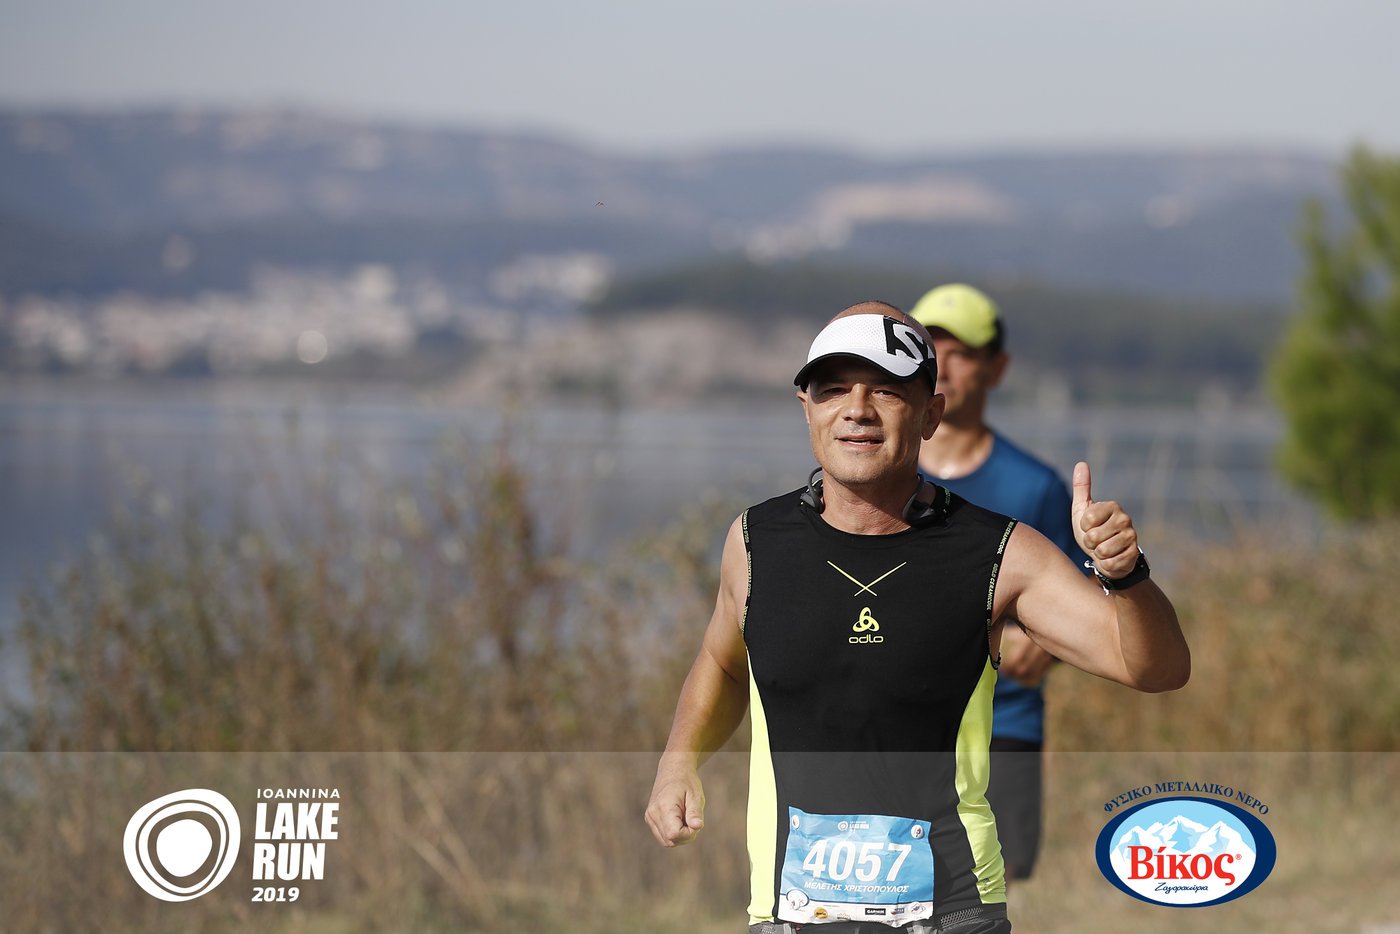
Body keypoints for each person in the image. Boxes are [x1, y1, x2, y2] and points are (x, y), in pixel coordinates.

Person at [644, 301, 1188, 934]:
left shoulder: (1000, 553)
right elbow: (723, 664)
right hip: (787, 915)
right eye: (833, 389)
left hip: (951, 915)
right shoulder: (754, 541)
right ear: (806, 408)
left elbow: (1156, 669)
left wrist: (1125, 575)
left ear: (931, 414)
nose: (857, 409)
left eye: (886, 391)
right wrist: (678, 761)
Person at [909, 283, 1083, 886]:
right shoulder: (874, 475)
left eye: (961, 353)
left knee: (997, 891)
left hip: (1002, 725)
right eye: (930, 350)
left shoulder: (1035, 486)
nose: (943, 366)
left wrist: (1043, 641)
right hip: (895, 724)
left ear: (997, 368)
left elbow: (1080, 607)